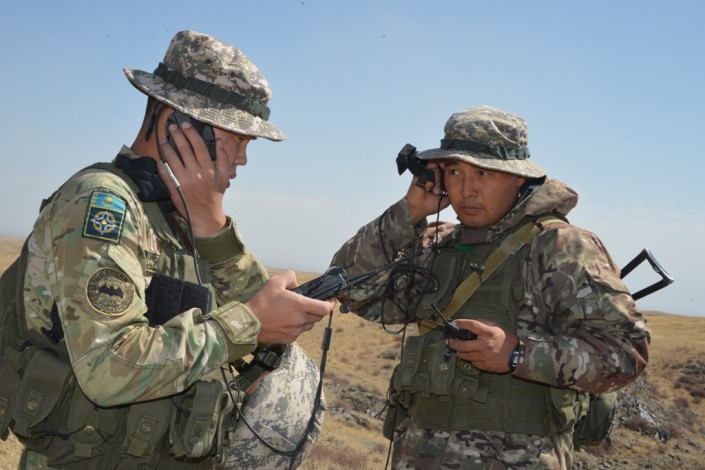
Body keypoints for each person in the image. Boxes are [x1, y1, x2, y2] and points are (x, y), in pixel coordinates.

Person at [3, 30, 334, 469]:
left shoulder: (183, 217)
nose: (242, 159)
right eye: (237, 139)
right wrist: (248, 324)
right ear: (180, 127)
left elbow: (268, 319)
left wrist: (212, 227)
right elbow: (107, 367)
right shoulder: (102, 204)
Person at [330, 105, 650, 469]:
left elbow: (627, 351)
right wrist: (410, 211)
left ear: (519, 178)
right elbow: (349, 287)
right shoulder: (439, 245)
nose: (467, 190)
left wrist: (517, 355)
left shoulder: (558, 246)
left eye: (484, 173)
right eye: (454, 172)